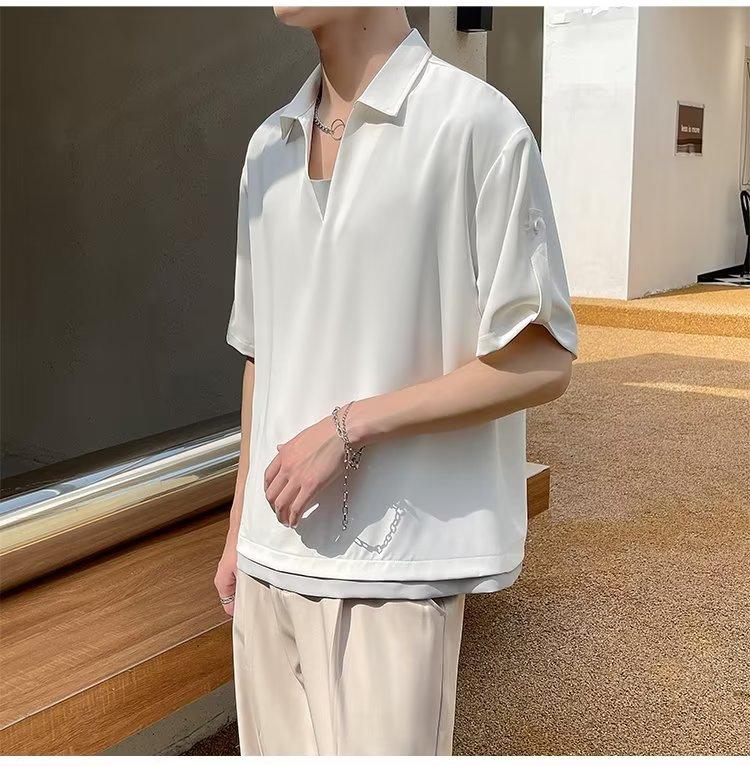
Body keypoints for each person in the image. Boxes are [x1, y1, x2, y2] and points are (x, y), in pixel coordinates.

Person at [214, 6, 578, 756]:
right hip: (267, 563)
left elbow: (543, 356)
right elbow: (261, 354)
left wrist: (350, 425)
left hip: (396, 566)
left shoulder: (474, 126)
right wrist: (237, 528)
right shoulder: (268, 148)